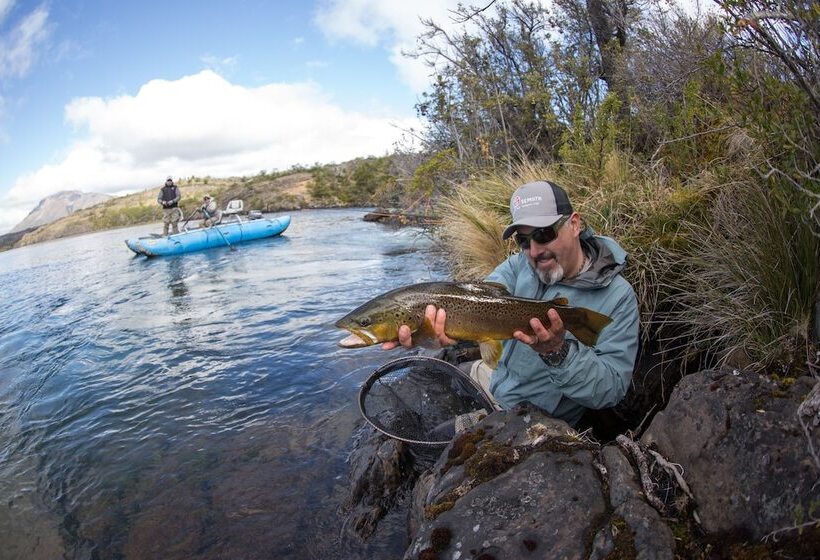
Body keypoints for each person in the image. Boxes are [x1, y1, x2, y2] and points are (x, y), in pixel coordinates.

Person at [385, 180, 640, 428]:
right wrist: (430, 330)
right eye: (524, 240)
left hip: (534, 417)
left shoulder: (617, 297)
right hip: (497, 379)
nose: (535, 250)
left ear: (574, 224)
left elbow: (612, 390)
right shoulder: (520, 264)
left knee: (442, 437)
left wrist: (558, 352)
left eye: (544, 234)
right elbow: (481, 298)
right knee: (429, 379)